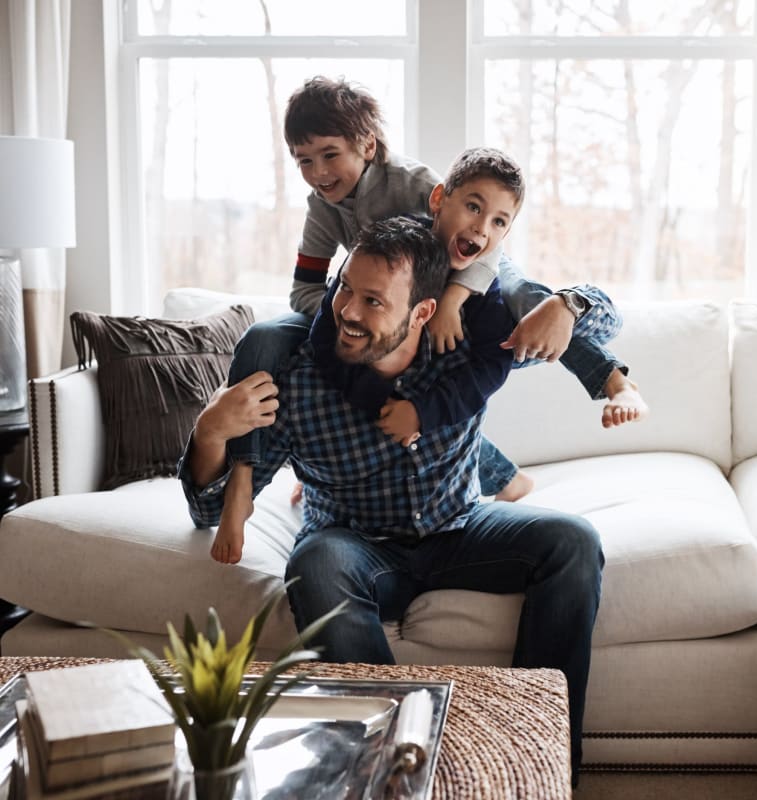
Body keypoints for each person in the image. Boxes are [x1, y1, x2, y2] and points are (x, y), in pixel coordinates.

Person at [179, 217, 604, 784]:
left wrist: (569, 304)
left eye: (374, 301)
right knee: (316, 562)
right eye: (345, 290)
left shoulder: (464, 348)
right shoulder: (299, 379)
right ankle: (394, 773)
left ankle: (538, 755)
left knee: (573, 541)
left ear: (422, 312)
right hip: (356, 546)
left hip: (461, 526)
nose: (349, 312)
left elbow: (603, 325)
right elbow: (210, 512)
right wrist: (209, 431)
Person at [213, 76, 643, 563]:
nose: (318, 172)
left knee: (528, 306)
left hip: (465, 284)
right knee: (265, 337)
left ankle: (613, 381)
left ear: (368, 145)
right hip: (382, 313)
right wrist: (352, 313)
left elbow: (473, 240)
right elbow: (304, 289)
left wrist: (455, 301)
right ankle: (245, 476)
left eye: (330, 155)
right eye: (304, 160)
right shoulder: (322, 208)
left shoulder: (415, 186)